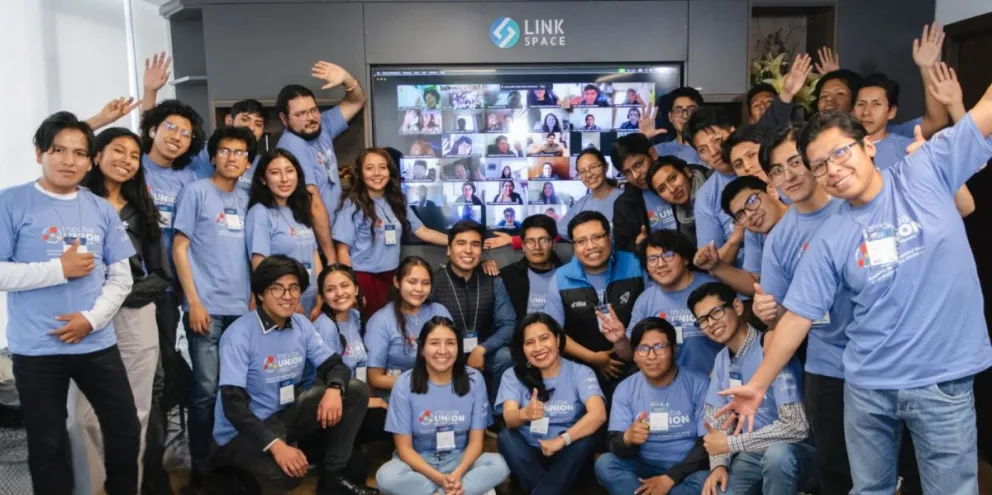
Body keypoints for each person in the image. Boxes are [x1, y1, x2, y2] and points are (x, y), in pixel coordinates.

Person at [718, 84, 992, 494]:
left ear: (868, 146)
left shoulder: (925, 170)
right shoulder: (831, 236)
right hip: (867, 387)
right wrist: (757, 385)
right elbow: (797, 317)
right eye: (821, 165)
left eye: (840, 153)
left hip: (940, 379)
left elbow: (985, 111)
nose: (833, 169)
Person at [0, 112, 140, 494]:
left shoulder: (98, 209)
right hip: (36, 348)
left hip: (95, 342)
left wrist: (91, 320)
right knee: (47, 443)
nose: (69, 160)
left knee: (125, 428)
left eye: (79, 153)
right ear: (39, 154)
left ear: (90, 160)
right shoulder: (11, 202)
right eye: (58, 150)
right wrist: (57, 269)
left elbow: (121, 276)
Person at [208, 255, 377, 495]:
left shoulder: (301, 324)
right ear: (259, 294)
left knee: (355, 390)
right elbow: (233, 406)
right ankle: (229, 475)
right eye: (277, 288)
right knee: (286, 477)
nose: (287, 296)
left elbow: (335, 365)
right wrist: (277, 446)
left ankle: (334, 477)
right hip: (244, 430)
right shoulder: (238, 335)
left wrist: (335, 389)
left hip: (285, 413)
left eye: (293, 288)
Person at [753, 123, 853, 494]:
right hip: (825, 364)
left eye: (795, 162)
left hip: (881, 357)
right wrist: (768, 314)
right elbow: (783, 316)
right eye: (777, 170)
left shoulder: (852, 204)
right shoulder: (779, 237)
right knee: (835, 467)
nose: (788, 175)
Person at [71, 128, 169, 494]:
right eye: (118, 150)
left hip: (134, 316)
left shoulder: (142, 212)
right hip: (84, 317)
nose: (126, 160)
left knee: (136, 415)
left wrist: (118, 295)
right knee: (81, 419)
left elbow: (160, 276)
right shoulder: (76, 203)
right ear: (96, 154)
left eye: (133, 155)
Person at [172, 126, 256, 483]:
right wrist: (193, 301)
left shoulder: (249, 198)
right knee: (205, 391)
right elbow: (179, 247)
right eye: (225, 151)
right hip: (206, 307)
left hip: (242, 311)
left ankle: (231, 462)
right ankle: (201, 469)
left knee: (235, 391)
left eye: (239, 152)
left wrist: (254, 298)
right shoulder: (196, 193)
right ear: (213, 156)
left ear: (248, 162)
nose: (232, 157)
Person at [689, 282, 815, 495]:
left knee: (777, 455)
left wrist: (732, 443)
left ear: (737, 307)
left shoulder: (772, 345)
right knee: (717, 490)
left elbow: (797, 427)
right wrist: (719, 464)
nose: (711, 323)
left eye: (716, 312)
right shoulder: (721, 361)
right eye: (703, 320)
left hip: (795, 452)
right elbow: (716, 424)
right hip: (750, 454)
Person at [375, 317, 510, 495]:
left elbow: (477, 442)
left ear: (459, 348)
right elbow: (404, 448)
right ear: (422, 349)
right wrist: (441, 479)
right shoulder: (404, 383)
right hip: (418, 463)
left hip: (460, 459)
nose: (443, 350)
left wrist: (458, 473)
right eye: (434, 343)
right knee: (386, 477)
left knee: (500, 464)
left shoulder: (474, 380)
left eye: (450, 343)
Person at [138, 99, 204, 442]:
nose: (178, 136)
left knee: (165, 369)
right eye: (171, 128)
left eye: (186, 133)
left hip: (171, 289)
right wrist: (148, 92)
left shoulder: (189, 179)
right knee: (146, 372)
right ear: (152, 130)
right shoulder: (134, 167)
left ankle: (160, 446)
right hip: (135, 286)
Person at [594, 318, 711, 495]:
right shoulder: (625, 388)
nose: (651, 356)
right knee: (605, 464)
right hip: (642, 467)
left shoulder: (699, 383)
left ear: (674, 349)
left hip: (687, 469)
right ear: (634, 354)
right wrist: (627, 438)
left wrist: (670, 478)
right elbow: (614, 443)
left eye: (659, 347)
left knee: (707, 479)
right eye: (642, 349)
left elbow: (707, 445)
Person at [496, 313, 606, 495]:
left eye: (544, 338)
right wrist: (525, 414)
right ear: (522, 348)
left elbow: (598, 414)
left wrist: (562, 440)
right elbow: (509, 418)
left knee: (587, 438)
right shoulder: (512, 375)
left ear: (557, 339)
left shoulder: (580, 372)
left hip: (568, 455)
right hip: (530, 457)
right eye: (529, 342)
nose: (538, 348)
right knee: (506, 437)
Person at [333, 148, 448, 316]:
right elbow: (342, 250)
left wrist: (456, 241)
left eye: (382, 167)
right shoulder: (352, 204)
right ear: (360, 173)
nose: (377, 173)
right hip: (363, 279)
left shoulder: (397, 200)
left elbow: (422, 231)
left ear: (390, 171)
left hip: (391, 277)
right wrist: (351, 287)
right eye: (370, 168)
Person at [543, 211, 644, 399]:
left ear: (610, 237)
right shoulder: (561, 278)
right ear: (573, 245)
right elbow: (554, 333)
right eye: (581, 241)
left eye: (597, 237)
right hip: (582, 368)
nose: (590, 246)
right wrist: (592, 358)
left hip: (638, 364)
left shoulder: (636, 265)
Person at [275, 61, 366, 263]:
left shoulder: (321, 126)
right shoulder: (292, 144)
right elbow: (314, 203)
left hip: (333, 238)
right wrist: (331, 258)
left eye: (313, 110)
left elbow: (356, 101)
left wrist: (347, 80)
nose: (310, 118)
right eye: (300, 114)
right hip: (315, 247)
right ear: (284, 119)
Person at [431, 221, 517, 419]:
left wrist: (481, 349)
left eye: (475, 244)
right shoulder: (434, 282)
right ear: (449, 250)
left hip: (482, 354)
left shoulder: (492, 279)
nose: (468, 250)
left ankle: (497, 416)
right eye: (461, 243)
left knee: (506, 355)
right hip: (445, 355)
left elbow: (509, 324)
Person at [626, 230, 720, 375]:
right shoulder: (645, 300)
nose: (661, 264)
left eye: (668, 255)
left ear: (685, 259)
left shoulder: (712, 288)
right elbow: (631, 353)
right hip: (670, 387)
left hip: (716, 384)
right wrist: (619, 339)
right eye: (652, 259)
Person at [245, 149, 321, 317]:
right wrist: (288, 302)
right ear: (263, 179)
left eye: (289, 171)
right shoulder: (260, 212)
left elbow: (313, 253)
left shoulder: (299, 209)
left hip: (311, 299)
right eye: (275, 173)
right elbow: (260, 264)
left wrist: (321, 293)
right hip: (283, 302)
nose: (285, 179)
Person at [365, 256, 453, 395]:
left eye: (425, 283)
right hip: (399, 393)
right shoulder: (381, 320)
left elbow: (453, 356)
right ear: (397, 282)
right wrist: (422, 383)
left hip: (440, 389)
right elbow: (375, 378)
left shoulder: (439, 311)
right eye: (412, 282)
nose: (419, 289)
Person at [694, 176, 789, 297]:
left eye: (752, 201)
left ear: (771, 192)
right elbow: (755, 284)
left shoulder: (806, 214)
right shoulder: (754, 233)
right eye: (740, 215)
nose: (749, 214)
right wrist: (717, 266)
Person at [684, 107, 746, 268]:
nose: (713, 152)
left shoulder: (762, 167)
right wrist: (736, 239)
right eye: (703, 150)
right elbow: (713, 264)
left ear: (733, 132)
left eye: (717, 140)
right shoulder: (707, 196)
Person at [611, 133, 674, 252]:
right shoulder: (623, 205)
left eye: (638, 165)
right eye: (627, 172)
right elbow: (622, 246)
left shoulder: (681, 179)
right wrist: (638, 246)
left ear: (652, 154)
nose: (636, 176)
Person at [188, 99, 268, 189]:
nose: (251, 127)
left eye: (258, 124)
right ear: (229, 120)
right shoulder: (200, 152)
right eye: (245, 119)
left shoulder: (261, 163)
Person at [500, 215, 564, 322]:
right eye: (530, 241)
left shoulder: (568, 276)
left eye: (543, 240)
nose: (537, 247)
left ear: (553, 243)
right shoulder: (507, 276)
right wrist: (485, 263)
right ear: (523, 246)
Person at [557, 148, 621, 240]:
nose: (588, 175)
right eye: (582, 171)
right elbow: (561, 230)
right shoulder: (580, 205)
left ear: (605, 166)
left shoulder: (624, 198)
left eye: (593, 167)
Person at [647, 156, 711, 246]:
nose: (672, 189)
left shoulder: (716, 183)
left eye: (673, 178)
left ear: (687, 172)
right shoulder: (683, 227)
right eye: (662, 189)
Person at [653, 87, 704, 165]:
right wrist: (643, 137)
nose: (685, 116)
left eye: (691, 110)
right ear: (670, 117)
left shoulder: (713, 149)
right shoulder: (658, 151)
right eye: (678, 110)